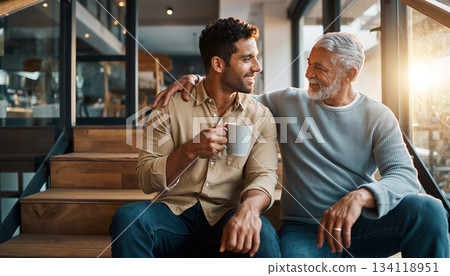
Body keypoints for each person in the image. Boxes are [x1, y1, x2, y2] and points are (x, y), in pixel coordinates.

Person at [153, 32, 450, 258]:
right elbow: (231, 98)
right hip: (307, 231)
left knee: (428, 209)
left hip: (364, 225)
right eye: (308, 65)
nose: (308, 74)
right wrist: (196, 79)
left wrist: (361, 196)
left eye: (318, 68)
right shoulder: (287, 101)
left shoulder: (378, 115)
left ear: (350, 75)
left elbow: (404, 177)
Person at [110, 17, 281, 258]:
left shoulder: (260, 115)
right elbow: (146, 178)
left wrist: (250, 209)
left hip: (226, 218)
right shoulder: (167, 107)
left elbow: (263, 175)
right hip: (174, 218)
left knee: (263, 234)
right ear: (218, 64)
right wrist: (189, 150)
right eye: (247, 58)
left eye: (256, 56)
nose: (257, 66)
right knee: (128, 219)